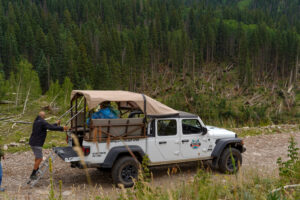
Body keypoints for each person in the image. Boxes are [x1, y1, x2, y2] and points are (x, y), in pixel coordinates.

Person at [29, 111, 69, 180]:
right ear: (44, 116)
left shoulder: (37, 121)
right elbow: (50, 127)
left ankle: (36, 170)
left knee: (37, 157)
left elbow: (48, 126)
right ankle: (33, 174)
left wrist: (56, 124)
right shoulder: (42, 122)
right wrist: (62, 128)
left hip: (32, 142)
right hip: (37, 143)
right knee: (40, 158)